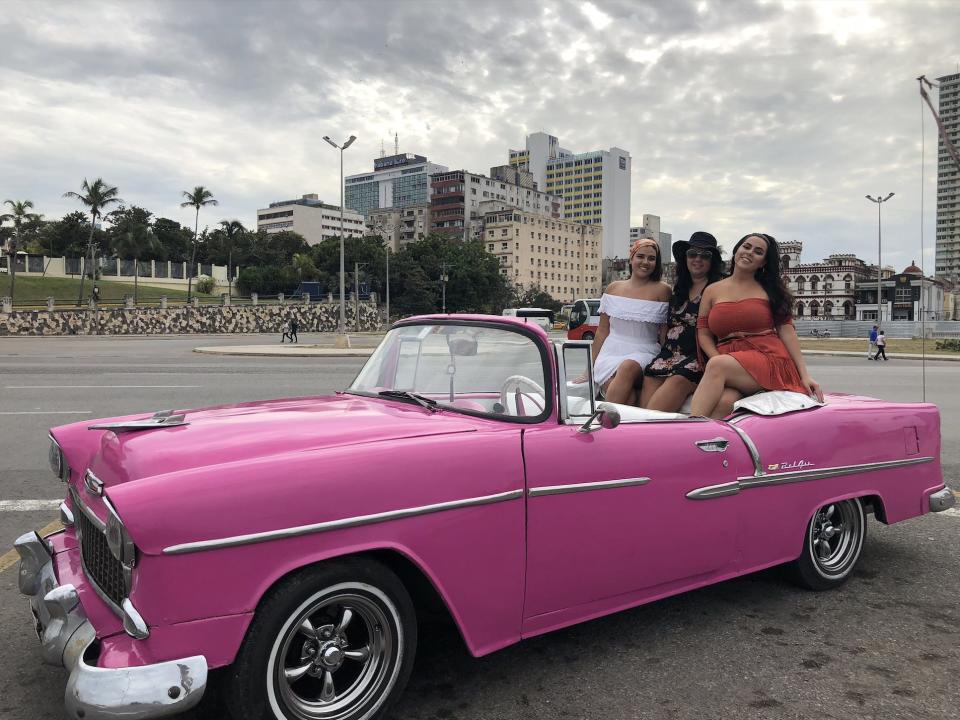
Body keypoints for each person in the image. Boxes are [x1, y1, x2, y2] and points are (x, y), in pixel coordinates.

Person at [690, 233, 824, 419]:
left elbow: (787, 332)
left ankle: (686, 432)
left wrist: (804, 375)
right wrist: (717, 359)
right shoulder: (712, 290)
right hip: (729, 361)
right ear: (737, 250)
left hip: (768, 358)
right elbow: (703, 333)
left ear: (763, 262)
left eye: (758, 252)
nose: (750, 252)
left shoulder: (770, 290)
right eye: (746, 246)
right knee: (724, 403)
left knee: (718, 367)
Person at [641, 231, 723, 412]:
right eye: (692, 254)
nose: (697, 259)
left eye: (705, 255)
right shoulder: (679, 289)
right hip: (669, 355)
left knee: (676, 382)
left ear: (713, 261)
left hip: (698, 358)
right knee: (649, 376)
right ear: (685, 258)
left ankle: (647, 436)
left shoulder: (719, 289)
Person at [590, 238, 670, 404]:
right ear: (631, 258)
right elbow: (602, 331)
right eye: (640, 256)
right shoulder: (613, 288)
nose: (645, 262)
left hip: (645, 351)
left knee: (627, 367)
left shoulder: (663, 290)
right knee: (629, 398)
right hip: (611, 352)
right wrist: (588, 368)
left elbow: (665, 334)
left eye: (651, 258)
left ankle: (603, 423)